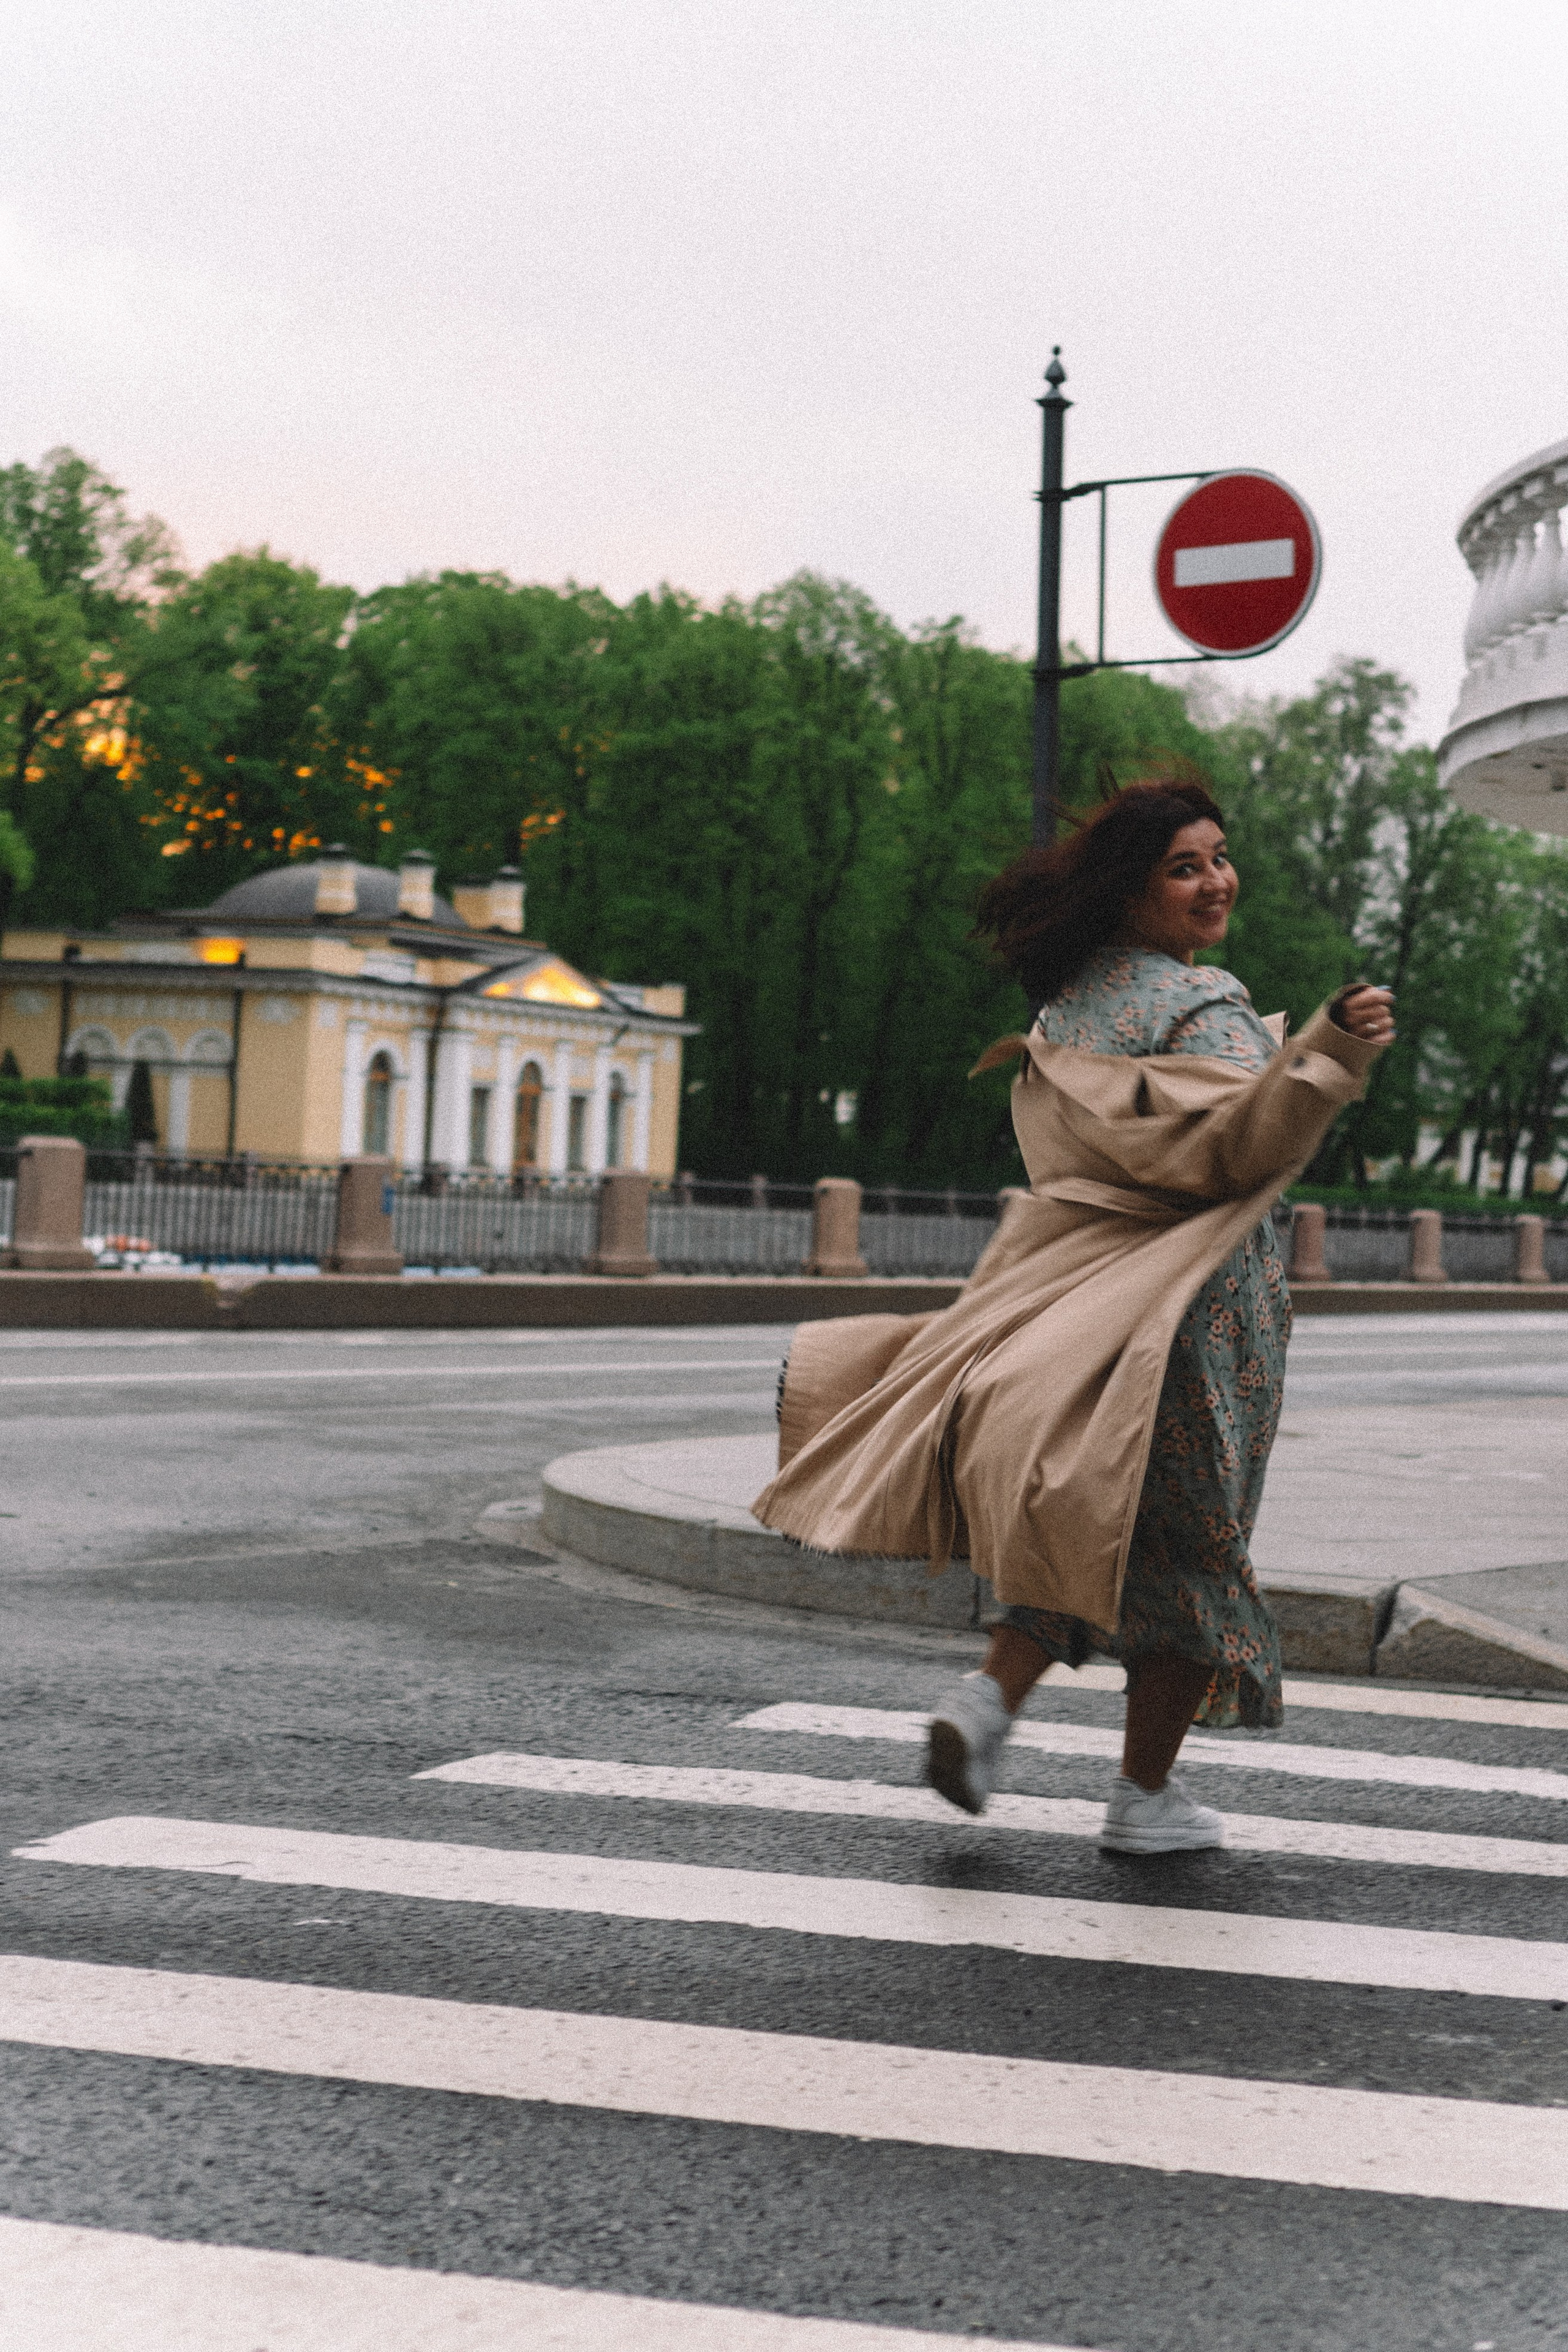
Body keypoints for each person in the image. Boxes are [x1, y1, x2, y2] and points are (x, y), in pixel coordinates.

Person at [753, 775, 1393, 1855]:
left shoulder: (1065, 1010)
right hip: (1195, 1310)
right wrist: (1333, 1049)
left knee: (1093, 1519)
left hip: (1083, 1296)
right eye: (1184, 867)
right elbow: (1245, 1143)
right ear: (1131, 891)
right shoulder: (1202, 1005)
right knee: (1197, 1549)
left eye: (1219, 858)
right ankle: (1144, 1798)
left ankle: (986, 1706)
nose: (1216, 881)